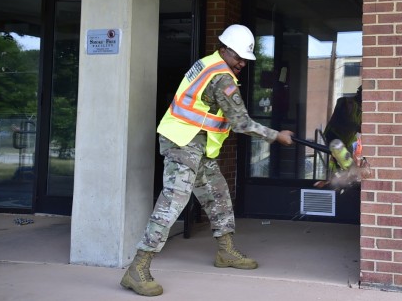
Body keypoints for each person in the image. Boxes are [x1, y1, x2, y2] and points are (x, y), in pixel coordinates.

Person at [121, 24, 294, 297]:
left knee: (218, 194)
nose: (241, 64)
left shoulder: (208, 63)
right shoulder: (221, 78)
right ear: (224, 49)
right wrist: (276, 136)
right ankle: (138, 267)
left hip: (196, 144)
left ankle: (226, 252)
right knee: (173, 201)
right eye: (238, 57)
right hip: (183, 141)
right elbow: (241, 122)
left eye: (245, 60)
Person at [315, 86, 367, 188]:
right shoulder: (345, 102)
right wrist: (358, 126)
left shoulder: (363, 110)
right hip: (334, 136)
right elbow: (343, 119)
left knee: (341, 163)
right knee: (339, 155)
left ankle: (337, 182)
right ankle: (337, 182)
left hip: (347, 142)